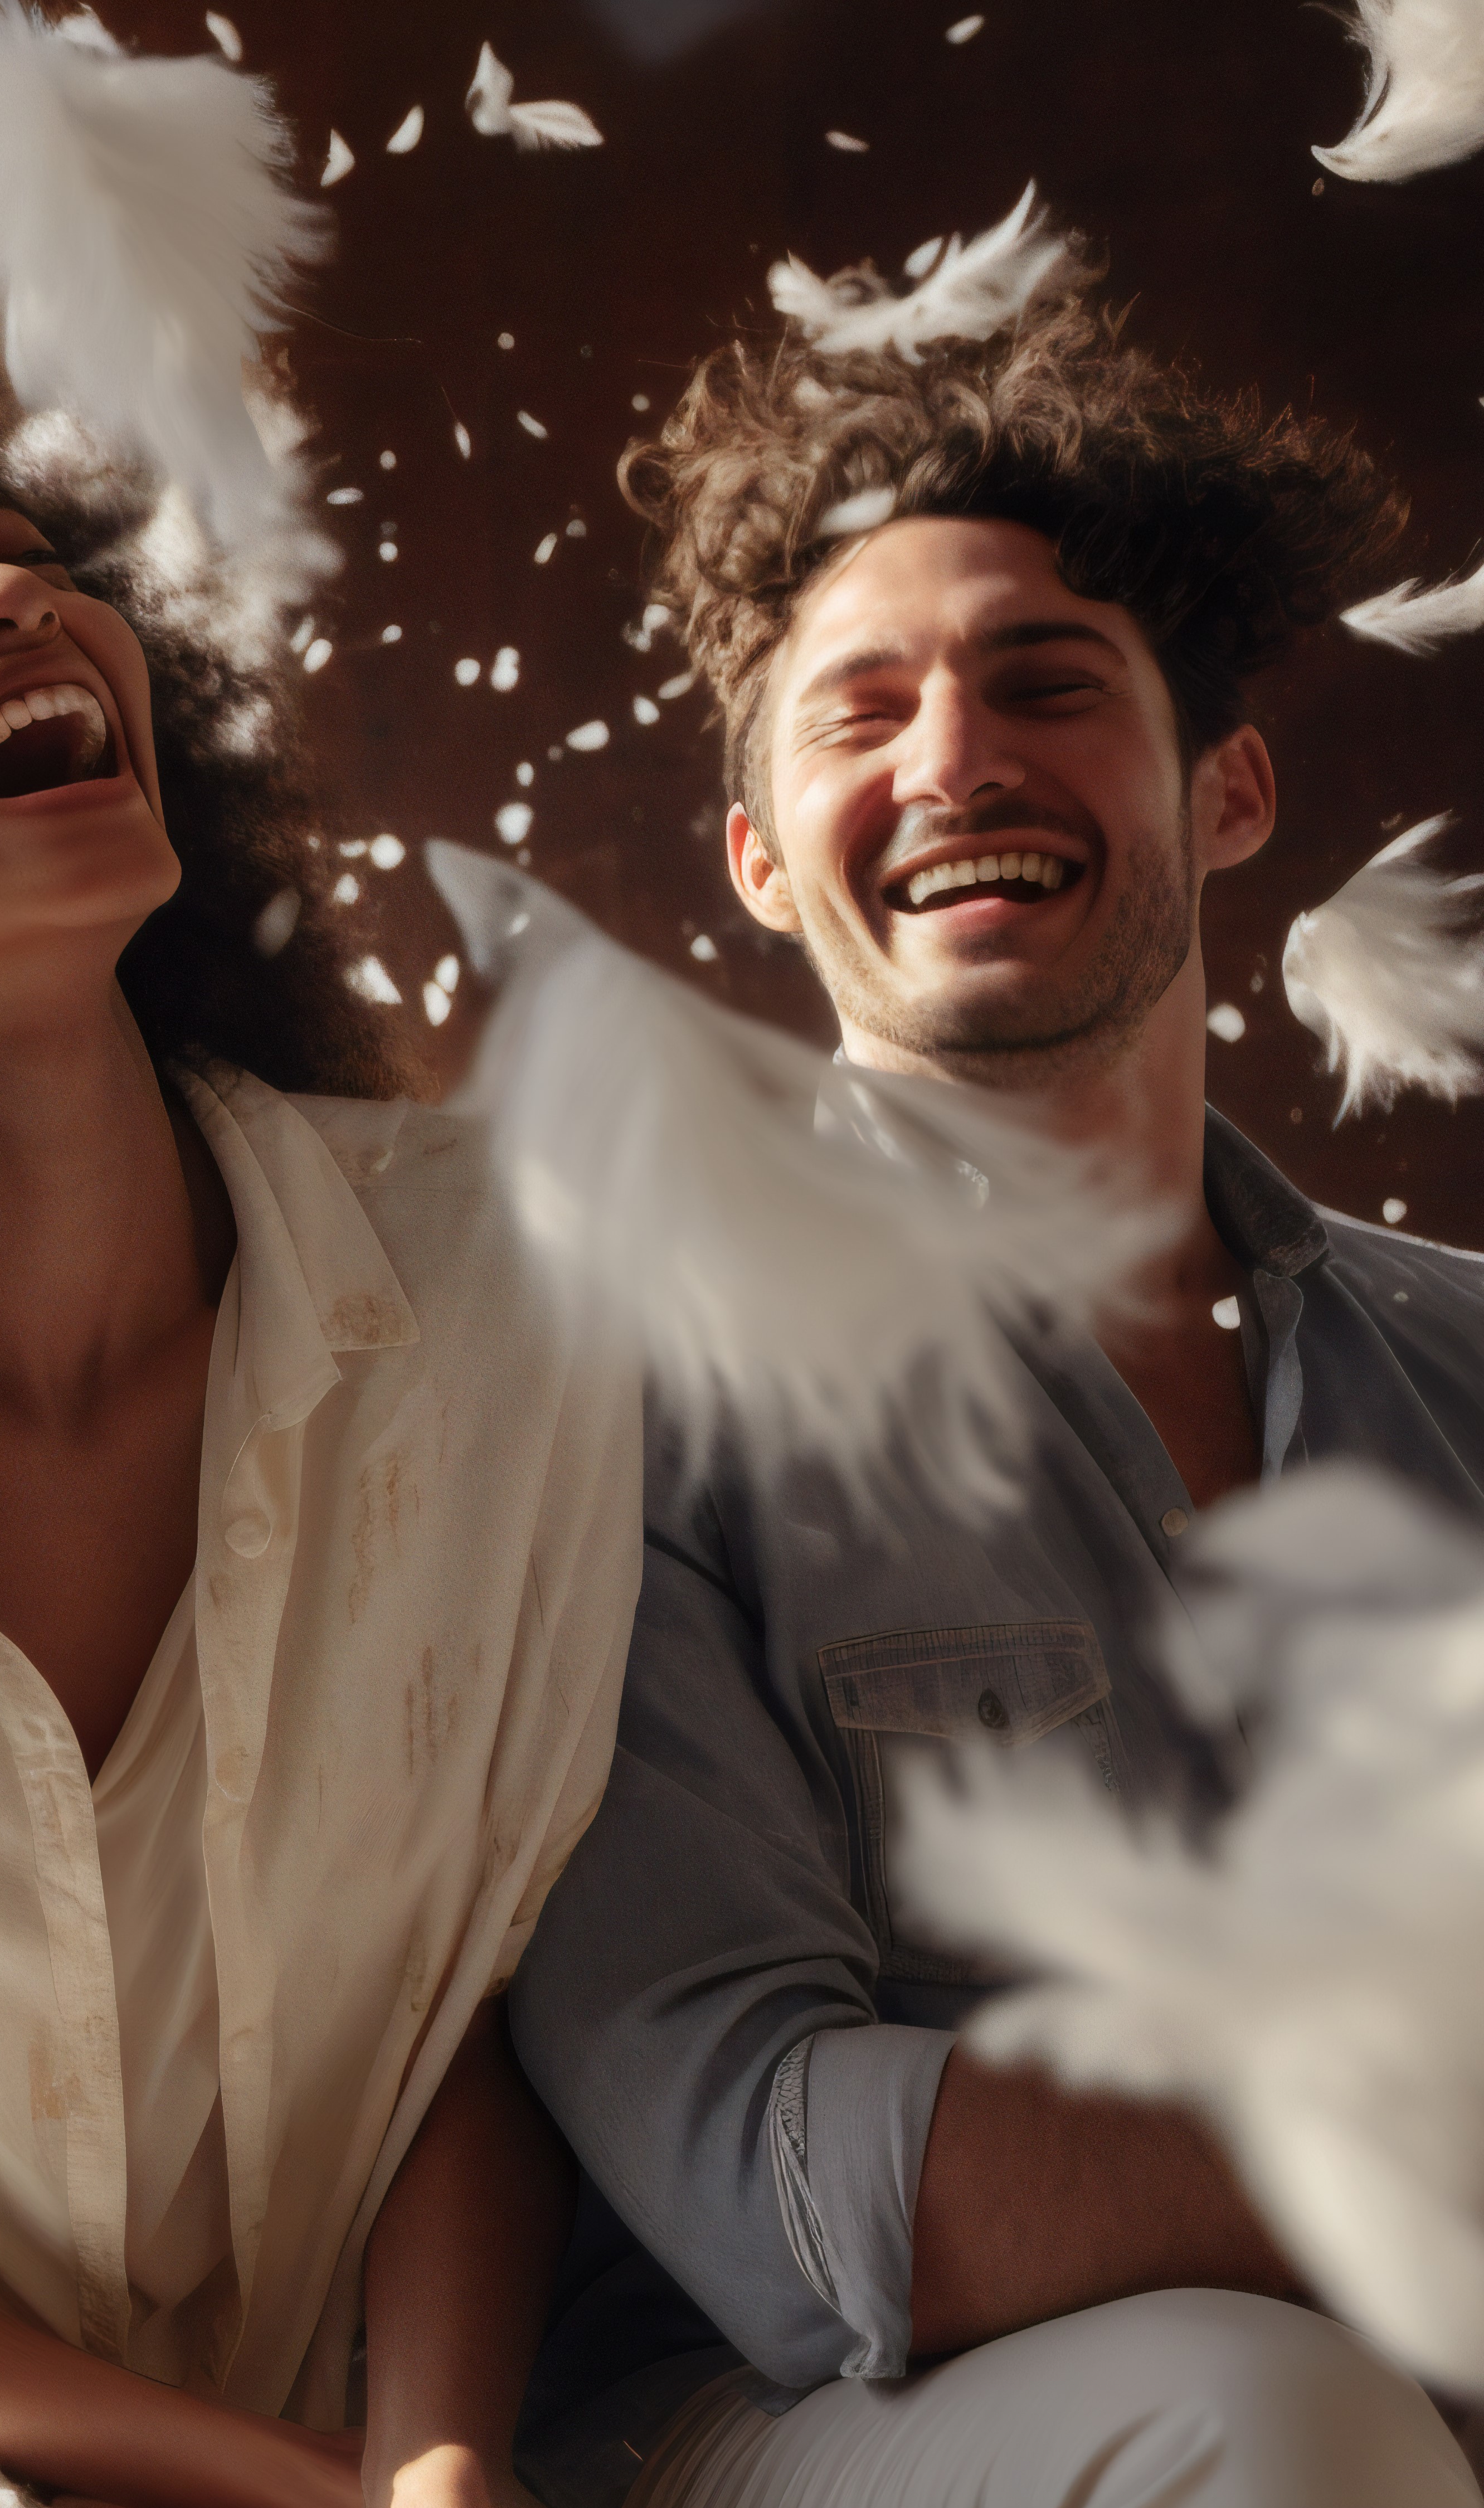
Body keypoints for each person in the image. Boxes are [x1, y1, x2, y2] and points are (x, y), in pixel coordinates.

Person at [0, 157, 639, 2508]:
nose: (7, 595)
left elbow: (497, 2010)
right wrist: (235, 2479)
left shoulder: (519, 1280)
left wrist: (439, 2466)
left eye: (32, 553)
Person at [508, 245, 1484, 2506]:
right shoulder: (602, 1365)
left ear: (1225, 791)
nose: (953, 759)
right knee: (1270, 2415)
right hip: (782, 2425)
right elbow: (796, 2186)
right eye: (857, 713)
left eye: (1041, 681)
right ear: (760, 862)